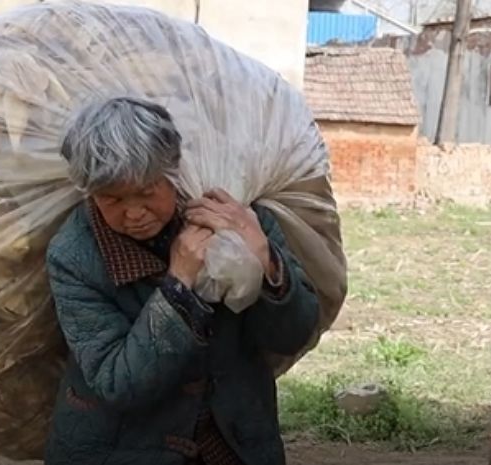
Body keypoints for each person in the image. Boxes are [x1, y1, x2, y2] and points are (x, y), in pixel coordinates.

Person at [45, 97, 320, 465]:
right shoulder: (74, 256)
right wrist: (178, 284)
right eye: (112, 199)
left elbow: (292, 336)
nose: (135, 213)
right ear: (90, 193)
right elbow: (117, 383)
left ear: (173, 172)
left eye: (147, 192)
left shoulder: (235, 217)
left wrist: (264, 256)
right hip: (120, 450)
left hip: (235, 443)